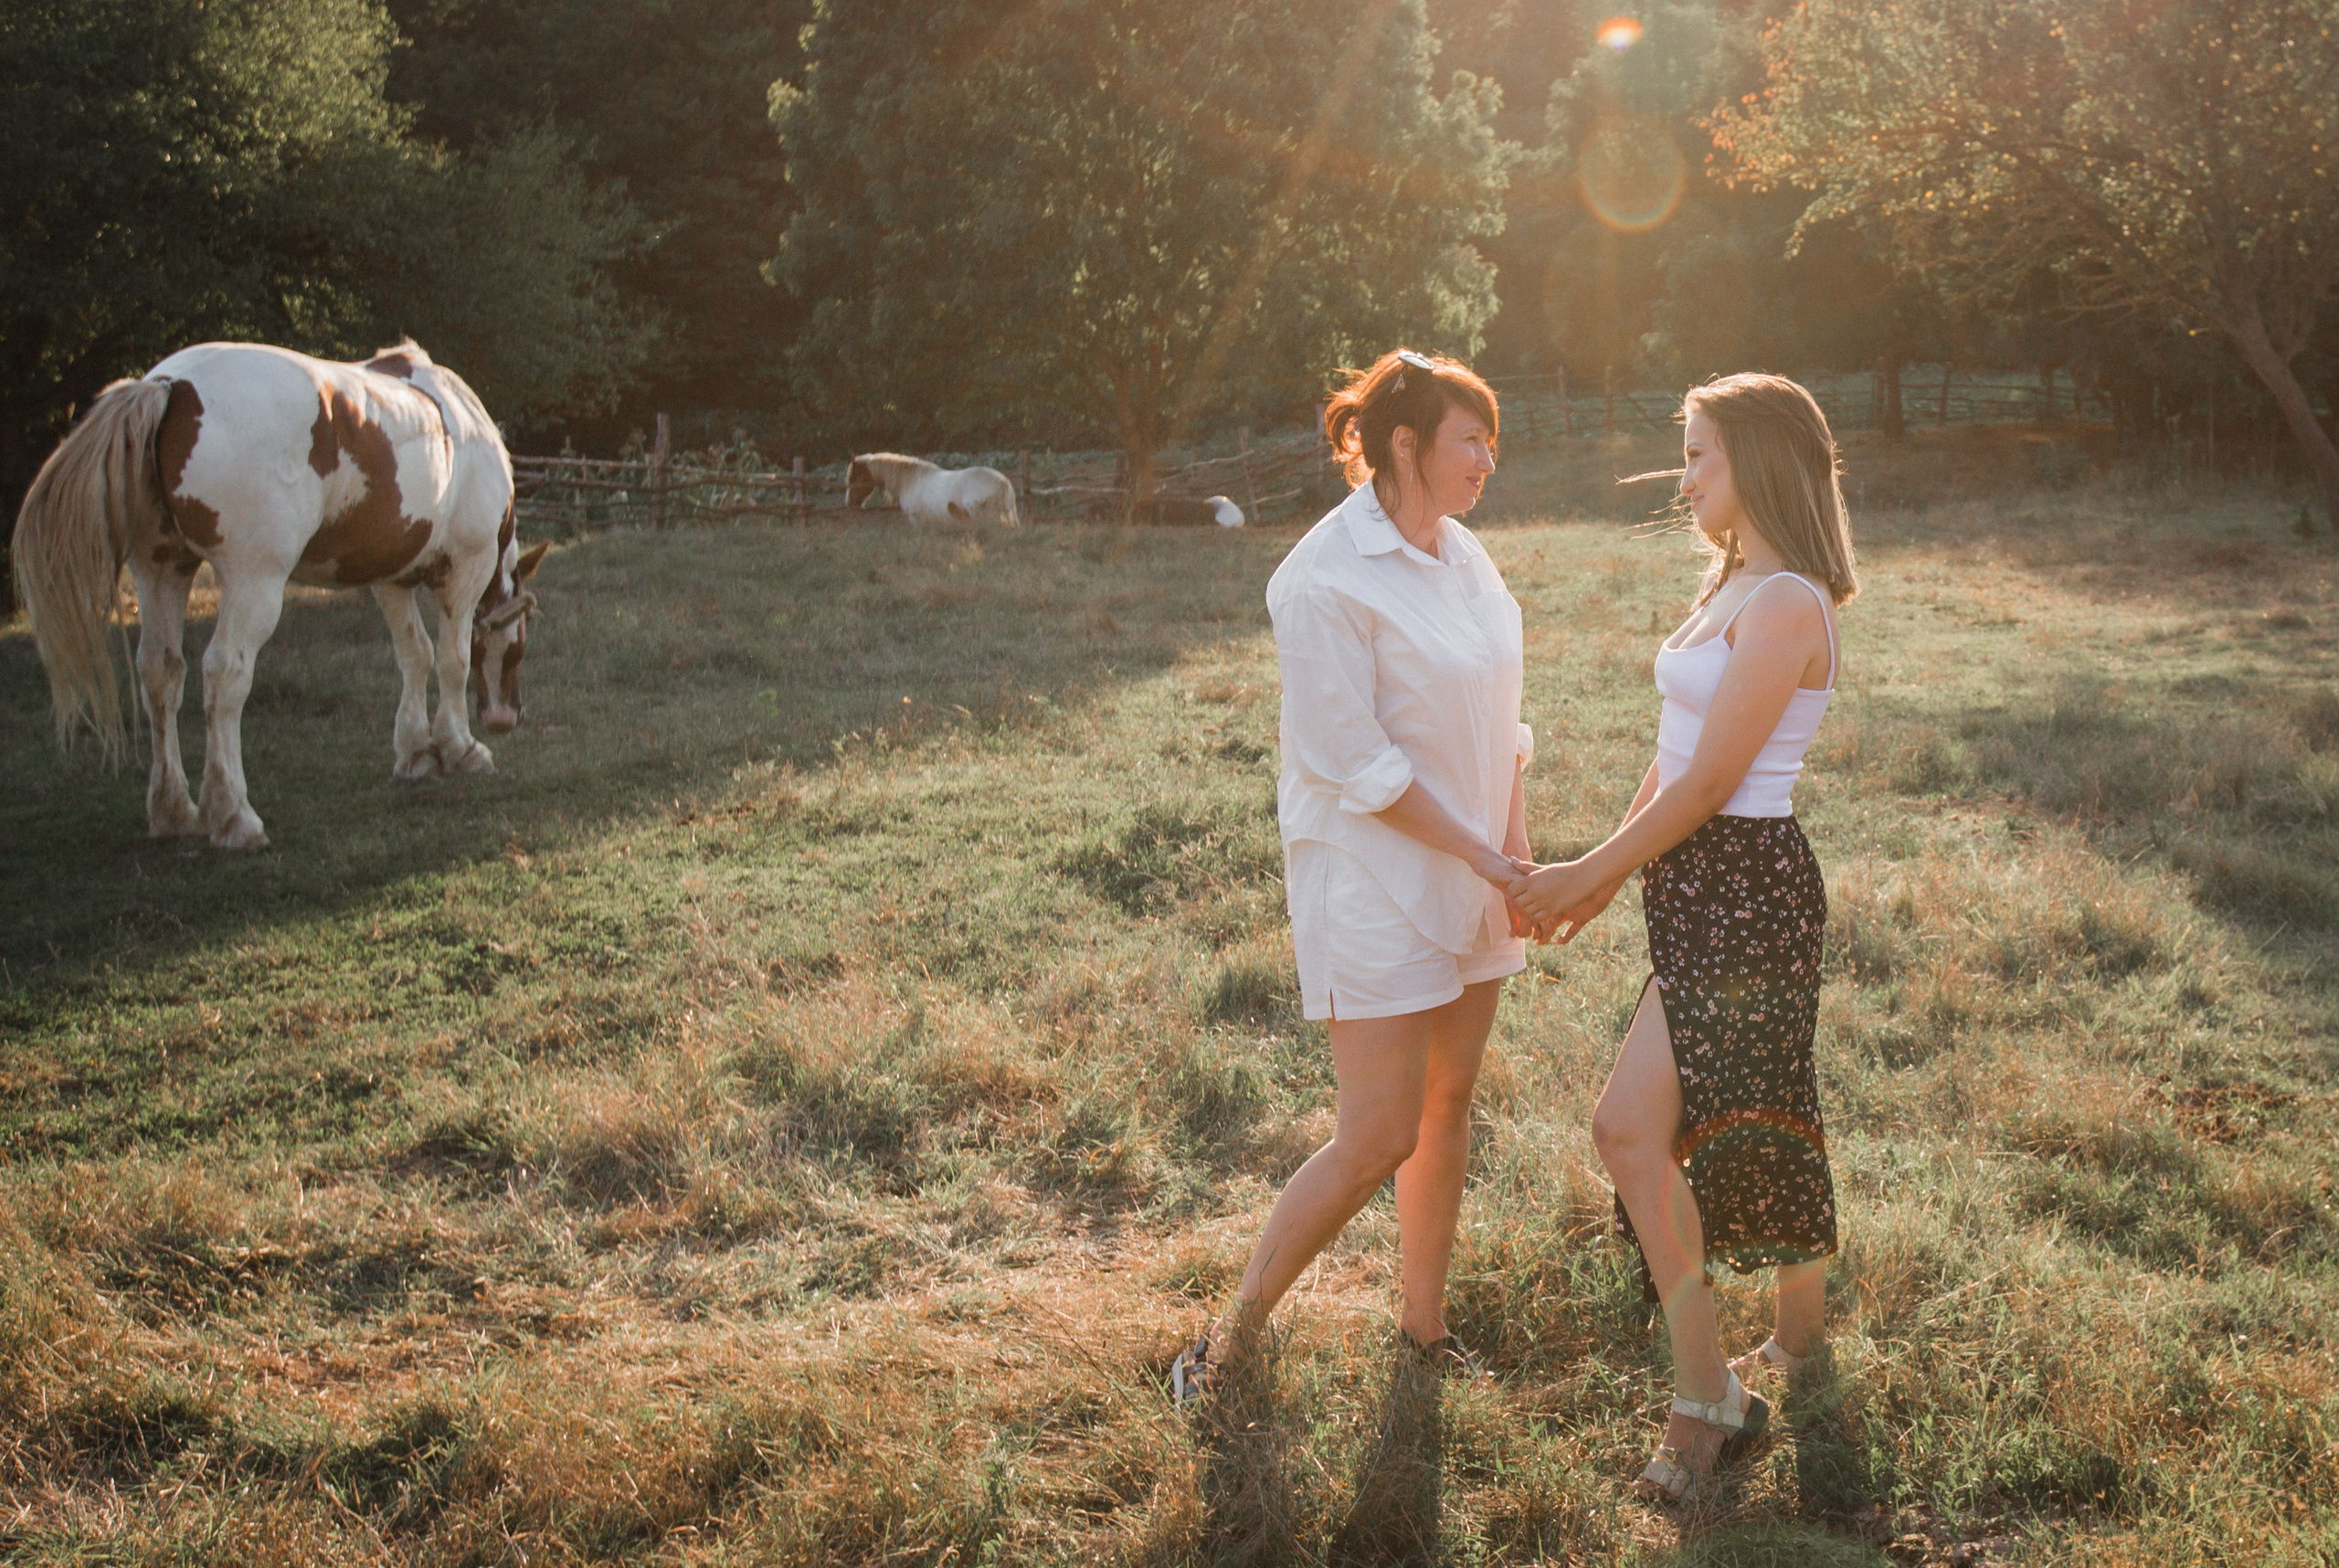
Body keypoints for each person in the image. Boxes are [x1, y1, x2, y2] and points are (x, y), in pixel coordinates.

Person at [1508, 373, 1857, 1504]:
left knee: (1634, 1126)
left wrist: (1586, 871)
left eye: (1700, 453)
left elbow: (1713, 784)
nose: (1685, 474)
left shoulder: (1788, 603)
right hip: (1696, 879)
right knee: (1757, 1109)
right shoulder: (1731, 584)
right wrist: (1608, 875)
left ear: (1756, 460)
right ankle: (1795, 1345)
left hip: (1747, 885)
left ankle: (1706, 1393)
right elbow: (1673, 759)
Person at [1172, 349, 1532, 1403]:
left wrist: (1509, 854)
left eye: (1491, 441)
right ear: (1406, 444)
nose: (1487, 461)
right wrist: (1480, 852)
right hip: (1374, 882)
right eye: (1471, 440)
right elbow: (1357, 765)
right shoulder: (1320, 578)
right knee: (1377, 1133)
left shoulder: (1464, 555)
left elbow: (1500, 718)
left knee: (1449, 1103)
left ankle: (1423, 1330)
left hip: (1474, 874)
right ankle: (1220, 1349)